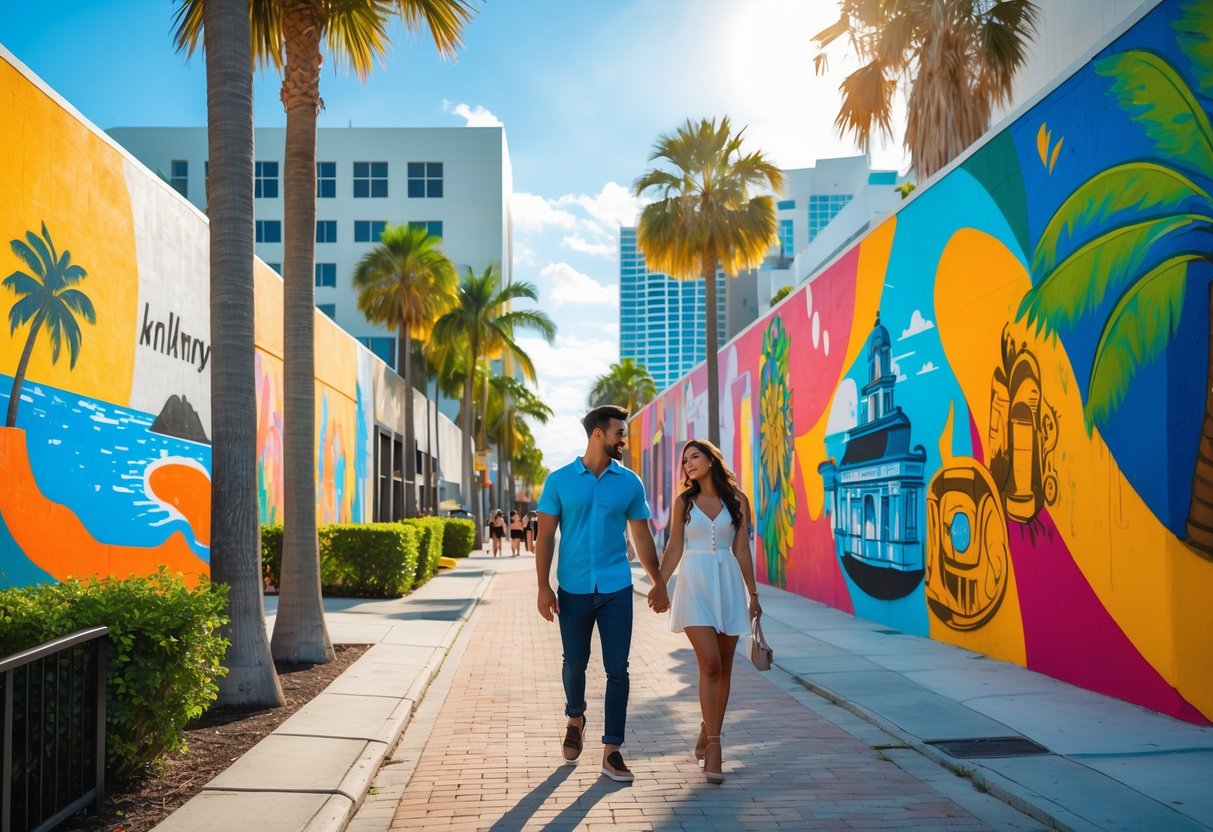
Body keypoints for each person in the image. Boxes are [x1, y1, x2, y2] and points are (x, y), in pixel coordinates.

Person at [535, 405, 669, 783]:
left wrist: (658, 581)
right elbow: (544, 536)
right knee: (574, 663)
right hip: (573, 588)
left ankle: (612, 751)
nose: (623, 439)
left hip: (616, 588)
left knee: (617, 669)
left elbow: (641, 536)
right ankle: (575, 716)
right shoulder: (559, 480)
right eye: (619, 433)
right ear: (598, 434)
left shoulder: (629, 482)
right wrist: (542, 587)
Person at [658, 439, 761, 785]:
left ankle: (708, 727)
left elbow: (742, 549)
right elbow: (674, 548)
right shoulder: (684, 503)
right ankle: (715, 746)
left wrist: (754, 593)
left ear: (711, 458)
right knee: (710, 663)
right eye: (684, 460)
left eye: (694, 456)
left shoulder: (738, 499)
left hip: (728, 584)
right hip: (695, 586)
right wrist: (659, 584)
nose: (687, 464)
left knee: (727, 666)